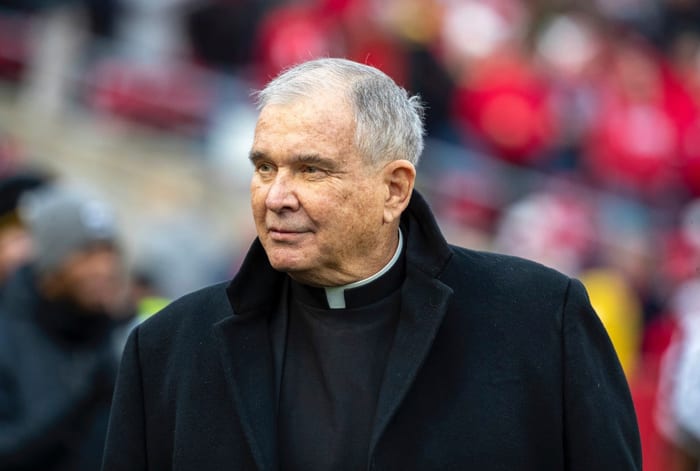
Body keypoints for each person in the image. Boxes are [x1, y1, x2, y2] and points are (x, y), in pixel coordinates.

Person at [102, 57, 641, 470]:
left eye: (312, 170)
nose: (277, 196)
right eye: (265, 167)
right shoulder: (168, 347)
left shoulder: (539, 319)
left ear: (394, 189)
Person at [0, 184, 134, 471]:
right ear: (51, 264)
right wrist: (80, 404)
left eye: (110, 251)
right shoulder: (8, 338)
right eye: (87, 253)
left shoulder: (117, 336)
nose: (104, 267)